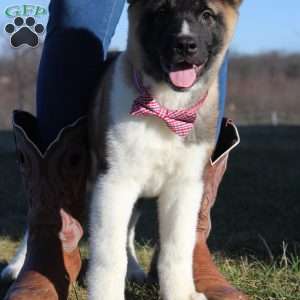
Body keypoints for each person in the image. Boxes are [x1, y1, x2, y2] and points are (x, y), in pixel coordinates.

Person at [3, 1, 248, 299]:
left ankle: (185, 263)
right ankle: (49, 242)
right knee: (75, 23)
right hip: (127, 100)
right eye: (162, 14)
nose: (185, 35)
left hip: (193, 115)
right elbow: (116, 186)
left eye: (207, 15)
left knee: (186, 184)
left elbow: (184, 189)